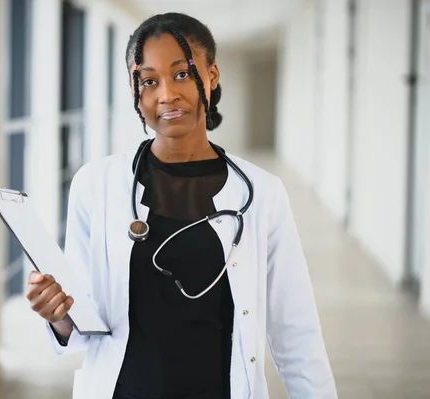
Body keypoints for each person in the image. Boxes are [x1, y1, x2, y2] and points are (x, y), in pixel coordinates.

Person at [25, 12, 337, 399]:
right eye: (149, 81)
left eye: (182, 74)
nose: (166, 94)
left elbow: (296, 330)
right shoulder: (96, 185)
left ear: (212, 75)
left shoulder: (263, 194)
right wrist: (58, 316)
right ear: (135, 91)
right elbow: (83, 321)